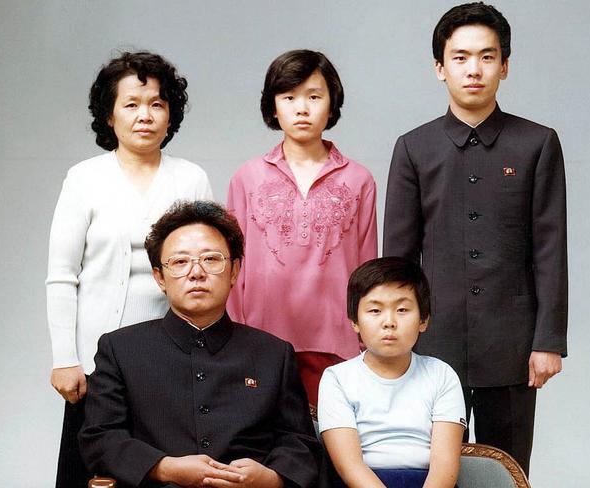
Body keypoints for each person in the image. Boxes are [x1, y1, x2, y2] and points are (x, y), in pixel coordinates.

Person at [383, 2, 567, 475]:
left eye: (487, 57)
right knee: (429, 468)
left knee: (509, 469)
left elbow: (550, 248)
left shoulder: (537, 143)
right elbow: (398, 259)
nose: (474, 70)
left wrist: (548, 340)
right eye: (460, 57)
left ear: (505, 67)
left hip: (512, 344)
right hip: (431, 343)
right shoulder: (414, 147)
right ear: (439, 67)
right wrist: (396, 336)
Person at [46, 51, 212, 487]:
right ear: (109, 114)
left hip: (175, 364)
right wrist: (66, 359)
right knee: (94, 474)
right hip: (97, 365)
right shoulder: (84, 178)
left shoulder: (191, 178)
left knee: (168, 475)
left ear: (170, 113)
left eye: (157, 104)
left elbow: (210, 269)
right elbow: (62, 275)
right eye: (132, 104)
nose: (145, 115)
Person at [79, 200, 320, 488]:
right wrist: (165, 467)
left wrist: (270, 478)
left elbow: (300, 442)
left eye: (211, 259)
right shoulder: (120, 349)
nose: (196, 273)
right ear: (160, 277)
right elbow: (100, 438)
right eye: (180, 262)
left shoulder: (273, 353)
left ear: (233, 271)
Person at [227, 49, 378, 406]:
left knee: (332, 446)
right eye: (289, 97)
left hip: (337, 341)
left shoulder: (359, 180)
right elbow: (232, 266)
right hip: (260, 339)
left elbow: (368, 265)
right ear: (273, 105)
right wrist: (233, 337)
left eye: (314, 96)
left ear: (331, 104)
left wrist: (364, 335)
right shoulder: (247, 177)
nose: (302, 108)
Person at [318, 257, 466, 488]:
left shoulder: (442, 375)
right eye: (375, 310)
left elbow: (444, 466)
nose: (389, 322)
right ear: (355, 321)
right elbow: (349, 465)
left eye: (402, 309)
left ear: (423, 319)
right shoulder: (336, 378)